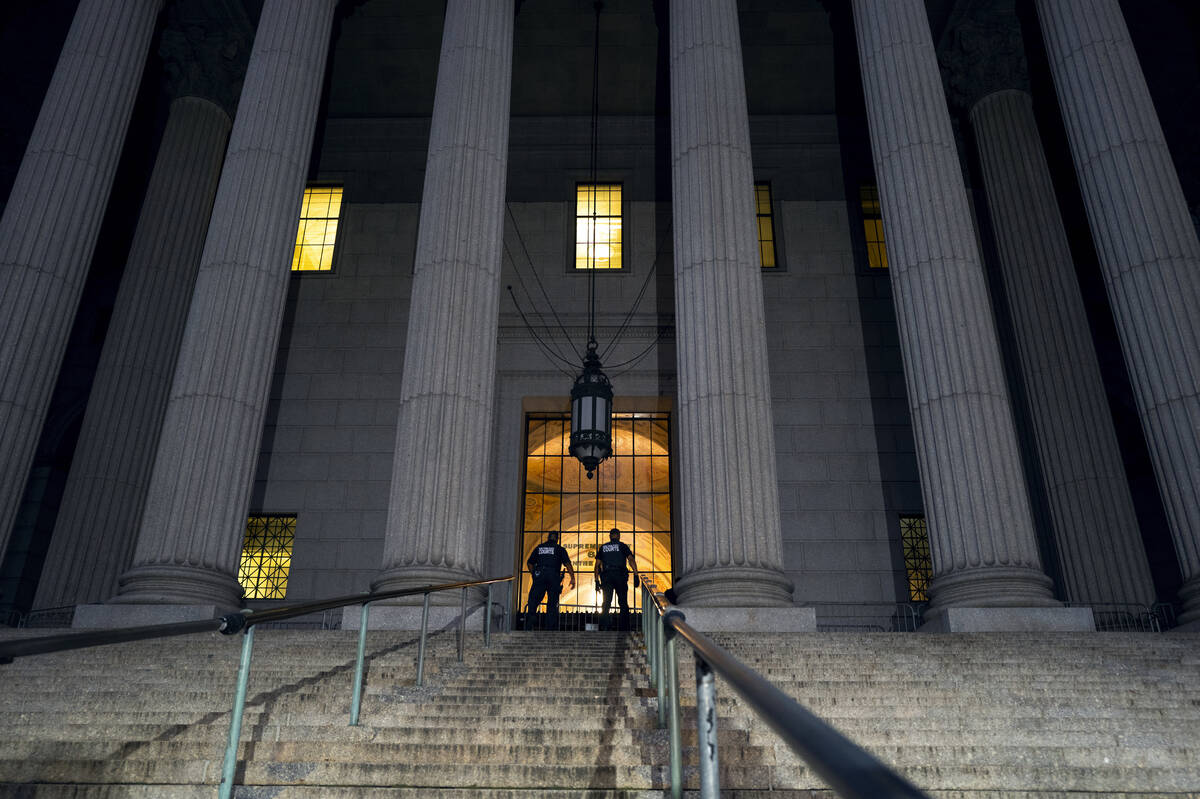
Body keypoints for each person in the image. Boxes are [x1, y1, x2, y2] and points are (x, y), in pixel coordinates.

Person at [525, 531, 575, 630]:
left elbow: (530, 563)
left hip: (540, 575)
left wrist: (534, 574)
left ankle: (529, 624)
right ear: (557, 539)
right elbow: (567, 564)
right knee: (552, 602)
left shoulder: (539, 548)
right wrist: (572, 578)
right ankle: (550, 628)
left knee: (533, 600)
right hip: (553, 575)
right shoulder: (559, 549)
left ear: (548, 538)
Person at [595, 528, 638, 630]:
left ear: (610, 536)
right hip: (620, 576)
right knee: (623, 602)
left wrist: (596, 580)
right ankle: (624, 628)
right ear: (619, 536)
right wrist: (636, 574)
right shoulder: (622, 546)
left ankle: (604, 626)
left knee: (606, 602)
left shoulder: (603, 547)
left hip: (606, 577)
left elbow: (597, 565)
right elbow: (631, 560)